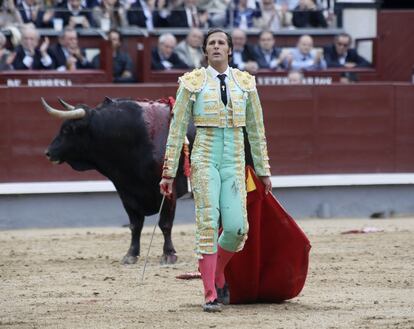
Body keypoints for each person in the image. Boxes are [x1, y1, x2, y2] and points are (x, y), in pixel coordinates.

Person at [159, 28, 272, 312]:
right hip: (205, 156)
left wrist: (263, 170)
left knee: (237, 228)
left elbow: (256, 131)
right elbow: (176, 129)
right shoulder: (192, 82)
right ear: (205, 50)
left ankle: (218, 270)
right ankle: (210, 291)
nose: (217, 46)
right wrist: (168, 171)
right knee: (208, 224)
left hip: (234, 159)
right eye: (212, 43)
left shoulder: (246, 83)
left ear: (230, 49)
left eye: (222, 42)